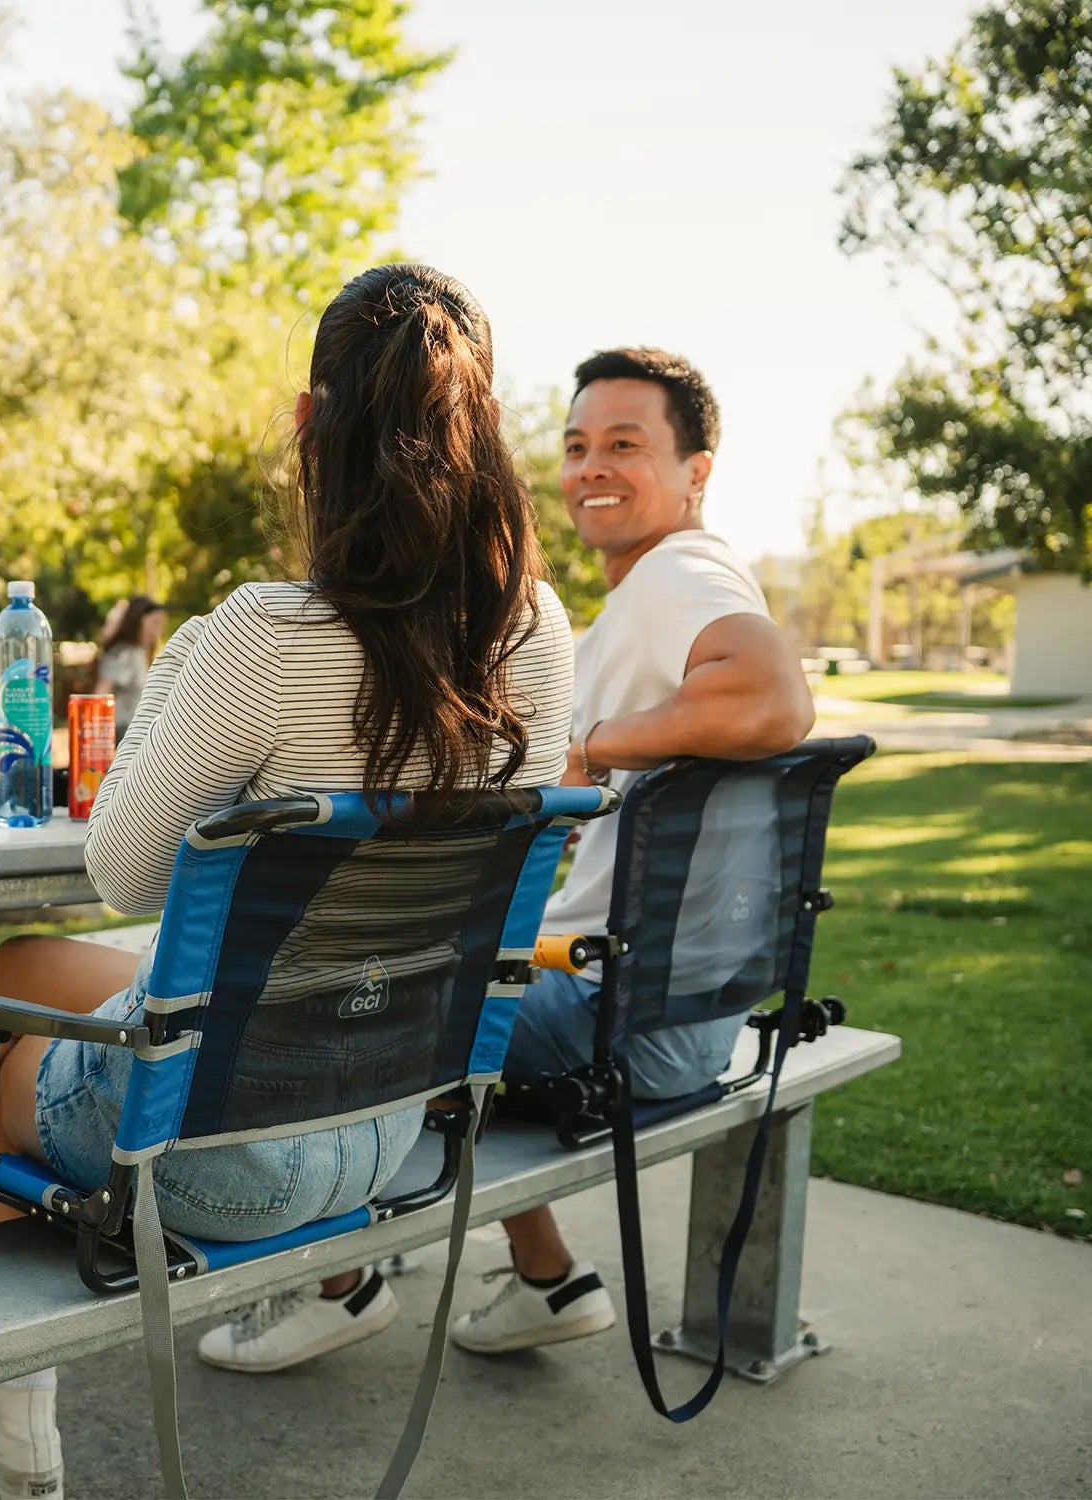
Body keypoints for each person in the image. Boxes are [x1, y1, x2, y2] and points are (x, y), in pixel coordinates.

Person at [0, 264, 575, 1500]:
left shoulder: (259, 633)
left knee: (11, 1015)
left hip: (222, 1158)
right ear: (485, 428)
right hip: (397, 1134)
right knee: (34, 983)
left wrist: (185, 674)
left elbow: (121, 871)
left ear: (311, 423)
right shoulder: (540, 630)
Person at [199, 346, 815, 1374]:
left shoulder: (678, 576)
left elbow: (775, 700)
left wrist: (592, 744)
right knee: (426, 962)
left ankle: (339, 1281)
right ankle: (547, 1279)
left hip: (628, 1016)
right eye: (576, 448)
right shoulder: (671, 586)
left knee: (334, 990)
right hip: (682, 1005)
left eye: (626, 445)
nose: (591, 470)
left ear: (697, 468)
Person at [94, 593, 168, 737]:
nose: (158, 630)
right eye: (154, 623)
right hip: (121, 731)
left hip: (138, 730)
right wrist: (97, 733)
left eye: (161, 624)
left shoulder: (141, 654)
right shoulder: (124, 654)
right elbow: (103, 691)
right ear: (138, 621)